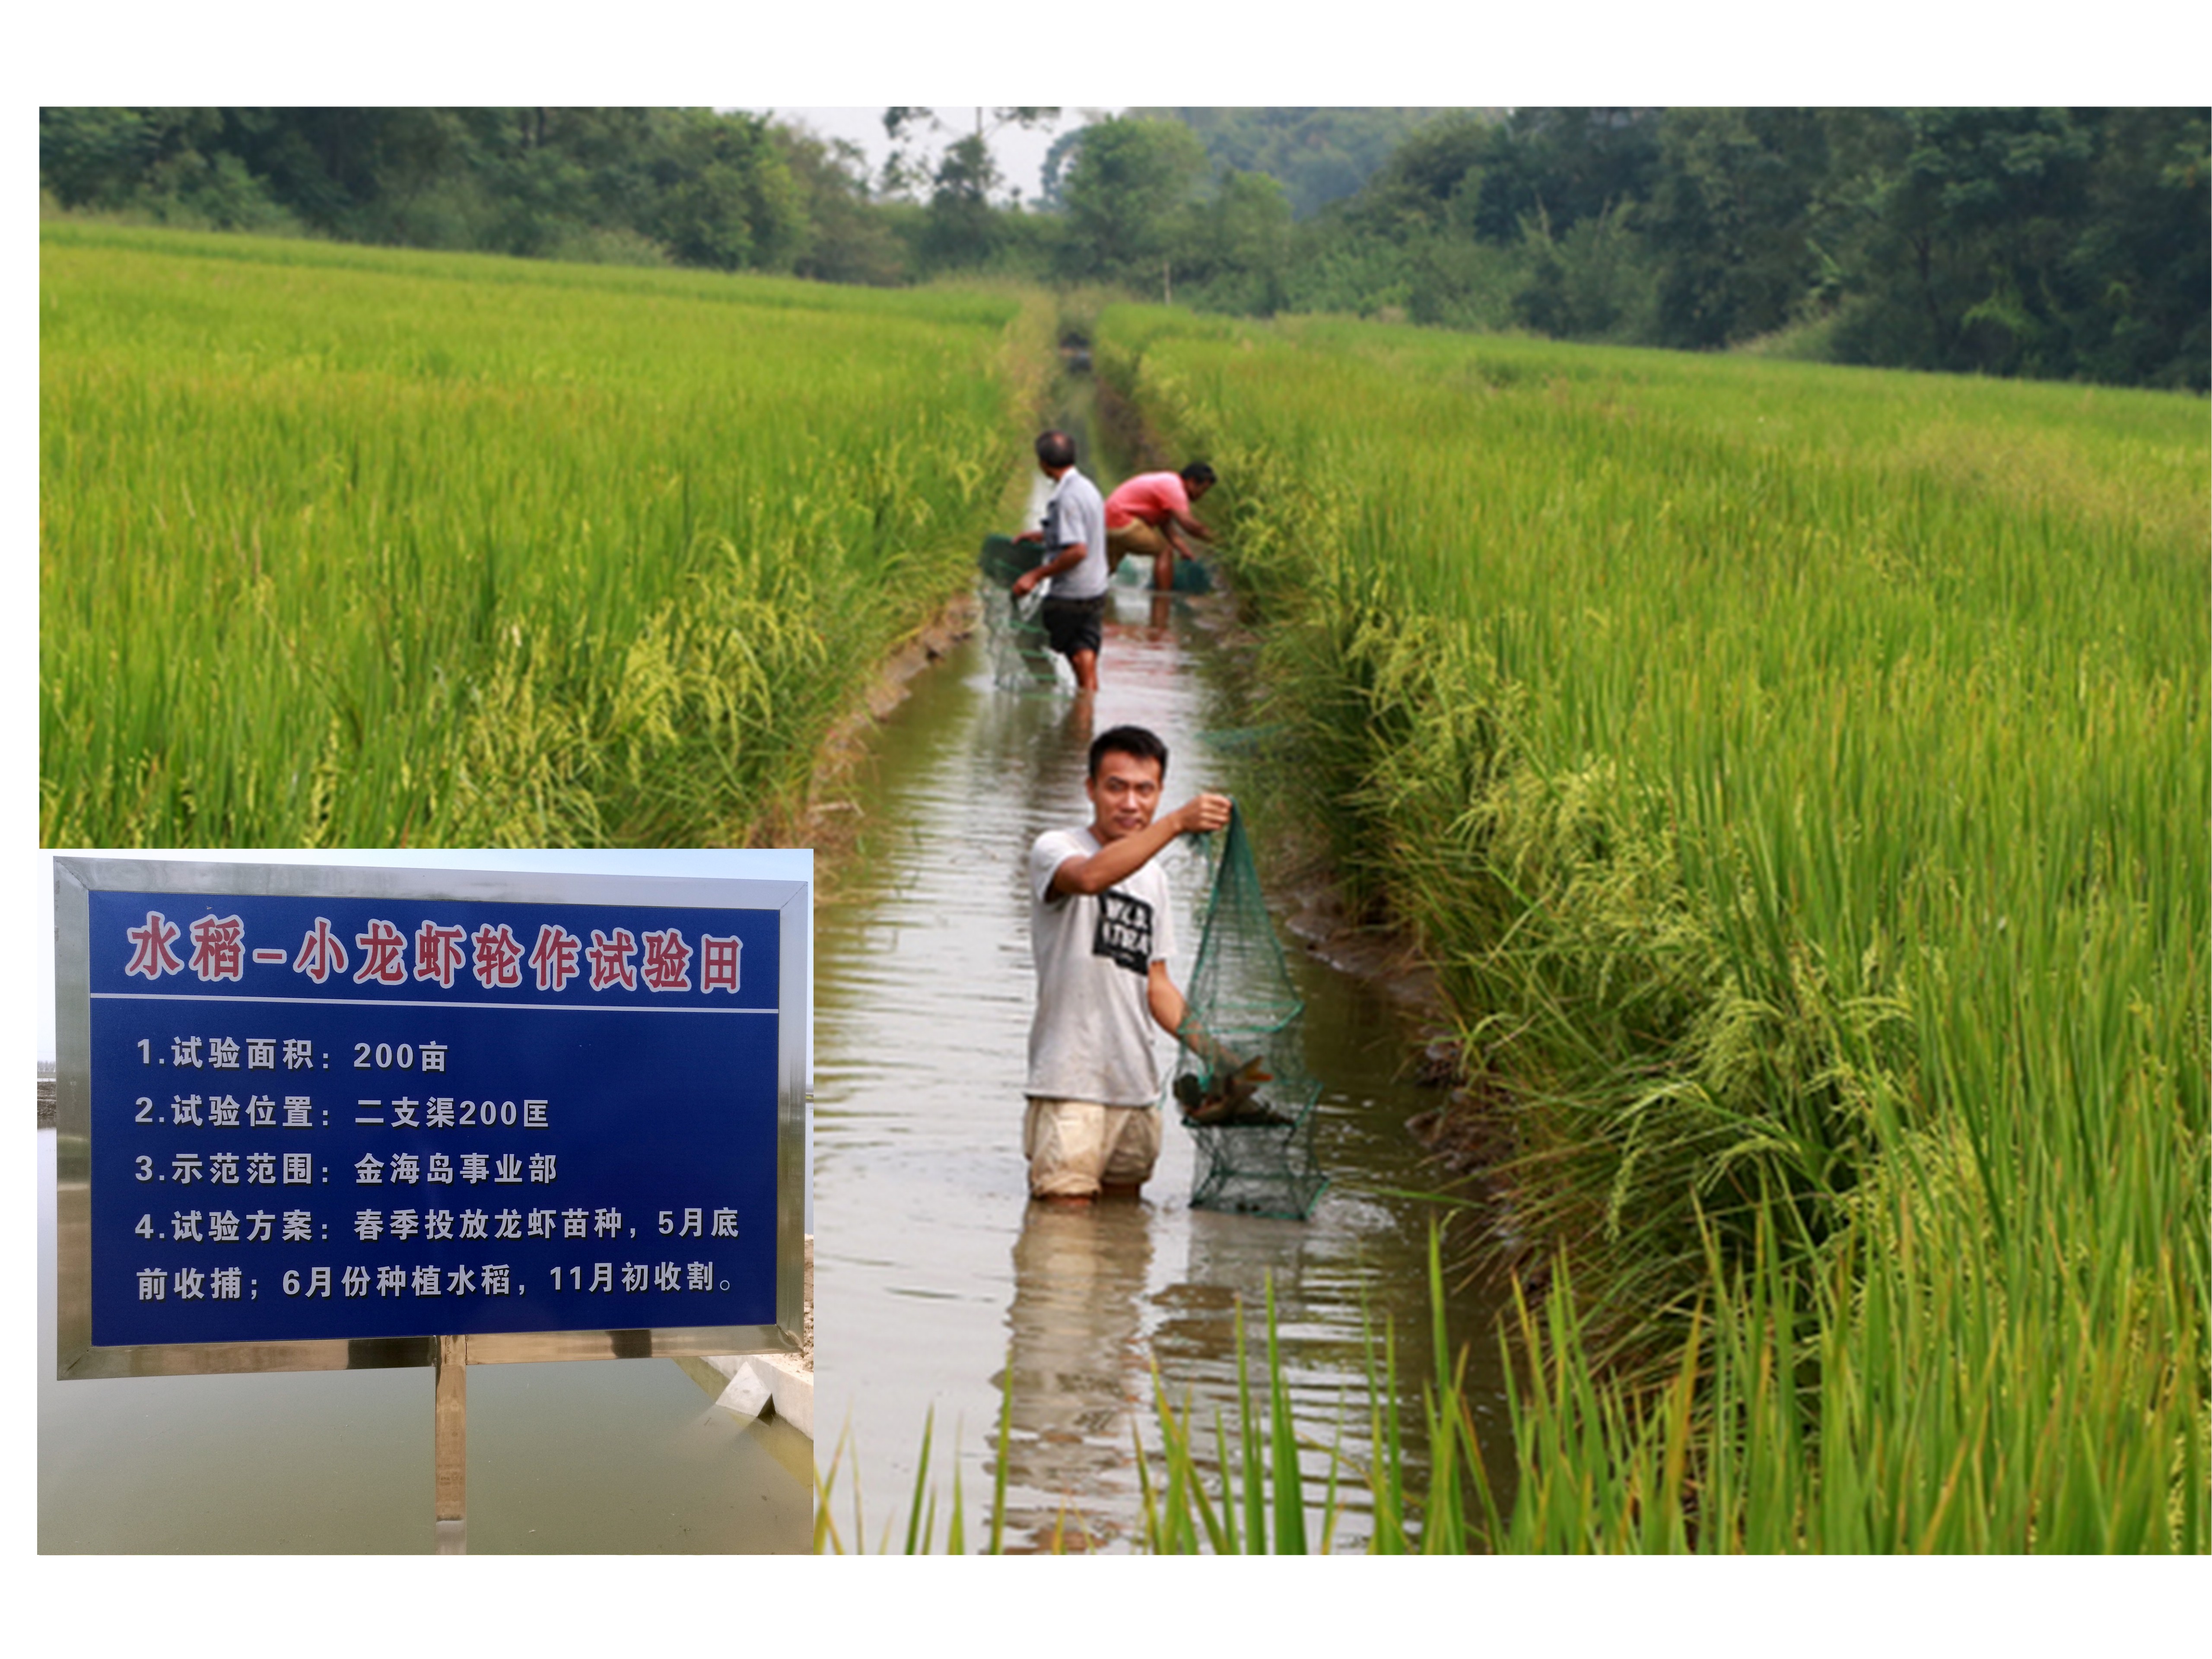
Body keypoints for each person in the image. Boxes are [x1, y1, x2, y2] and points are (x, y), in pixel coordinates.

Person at [1023, 725, 1232, 1204]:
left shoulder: (1153, 879)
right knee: (1062, 1234)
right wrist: (1177, 823)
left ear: (1159, 793)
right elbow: (1091, 878)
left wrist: (1220, 1058)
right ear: (1091, 789)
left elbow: (1156, 986)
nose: (1130, 804)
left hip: (1135, 1088)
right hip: (1067, 1086)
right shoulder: (1056, 848)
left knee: (1123, 1233)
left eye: (1145, 790)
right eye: (1116, 787)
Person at [1010, 430, 1110, 692]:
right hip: (1096, 590)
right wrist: (1044, 536)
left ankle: (1048, 691)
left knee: (1026, 639)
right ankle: (1086, 708)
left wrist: (1035, 575)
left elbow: (1077, 550)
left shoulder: (1065, 499)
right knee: (1082, 651)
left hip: (1071, 595)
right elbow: (1082, 532)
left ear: (1043, 463)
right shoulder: (1087, 487)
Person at [1105, 462, 1217, 593]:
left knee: (1106, 569)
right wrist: (1219, 541)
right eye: (1203, 490)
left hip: (1107, 522)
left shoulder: (1168, 483)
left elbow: (1166, 526)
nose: (1201, 496)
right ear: (1192, 481)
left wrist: (1183, 549)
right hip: (1122, 519)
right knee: (1164, 552)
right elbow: (1189, 525)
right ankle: (1163, 599)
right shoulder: (1175, 488)